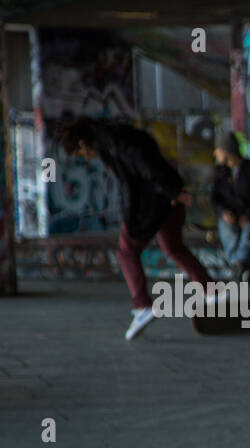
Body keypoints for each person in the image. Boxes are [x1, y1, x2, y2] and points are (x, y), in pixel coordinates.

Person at [57, 116, 227, 340]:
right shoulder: (119, 132)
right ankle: (211, 290)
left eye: (81, 154)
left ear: (82, 143)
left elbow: (143, 162)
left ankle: (142, 306)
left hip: (153, 202)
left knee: (126, 251)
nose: (87, 158)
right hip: (166, 197)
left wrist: (170, 190)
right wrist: (172, 189)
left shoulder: (110, 140)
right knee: (174, 248)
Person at [211, 131, 250, 282]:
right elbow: (215, 198)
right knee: (230, 233)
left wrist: (248, 215)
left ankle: (237, 267)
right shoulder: (220, 172)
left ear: (226, 151)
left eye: (218, 150)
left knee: (249, 233)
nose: (215, 154)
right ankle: (242, 268)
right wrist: (224, 212)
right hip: (230, 215)